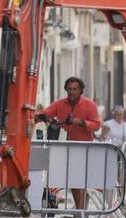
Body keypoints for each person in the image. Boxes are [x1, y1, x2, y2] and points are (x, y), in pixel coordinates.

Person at [38, 76, 102, 209]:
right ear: (66, 90)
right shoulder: (60, 104)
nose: (72, 92)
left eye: (75, 89)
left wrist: (82, 123)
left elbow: (97, 125)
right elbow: (45, 112)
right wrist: (38, 116)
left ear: (80, 91)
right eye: (70, 89)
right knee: (73, 179)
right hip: (64, 148)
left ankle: (80, 209)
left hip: (83, 148)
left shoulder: (89, 105)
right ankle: (79, 208)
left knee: (78, 178)